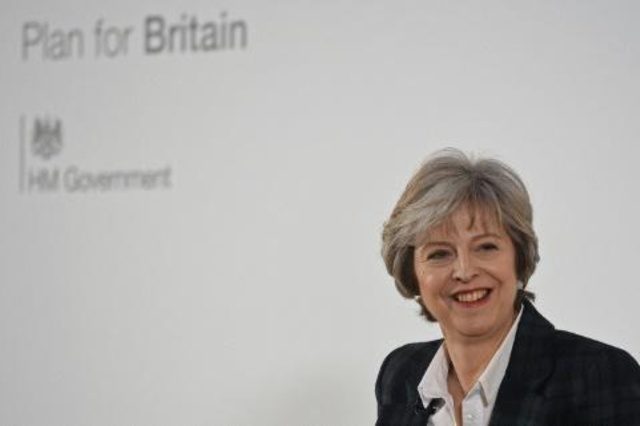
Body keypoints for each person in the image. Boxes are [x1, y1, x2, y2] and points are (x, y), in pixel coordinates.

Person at [376, 148, 640, 425]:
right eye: (439, 253)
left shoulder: (599, 376)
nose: (465, 271)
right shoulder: (402, 373)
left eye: (486, 247)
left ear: (519, 257)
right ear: (411, 272)